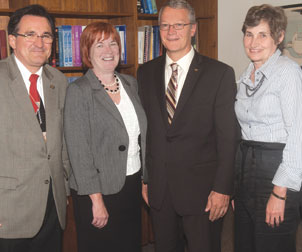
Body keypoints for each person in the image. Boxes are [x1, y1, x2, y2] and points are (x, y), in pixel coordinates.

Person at [137, 0, 238, 251]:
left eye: (179, 25)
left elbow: (228, 138)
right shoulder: (145, 73)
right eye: (165, 25)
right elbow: (146, 133)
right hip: (160, 190)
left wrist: (222, 189)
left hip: (203, 193)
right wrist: (146, 179)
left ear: (193, 28)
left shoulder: (219, 74)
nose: (171, 31)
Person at [64, 21, 147, 252]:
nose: (108, 51)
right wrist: (96, 200)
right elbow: (79, 152)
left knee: (130, 245)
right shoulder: (78, 91)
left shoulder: (131, 84)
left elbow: (140, 138)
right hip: (97, 190)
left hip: (131, 183)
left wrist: (144, 180)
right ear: (87, 52)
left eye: (113, 44)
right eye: (99, 45)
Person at [0, 4, 70, 252]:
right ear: (12, 40)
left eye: (46, 35)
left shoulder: (59, 81)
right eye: (30, 34)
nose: (39, 42)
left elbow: (62, 142)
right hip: (7, 211)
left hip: (53, 207)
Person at [234, 4, 302, 252]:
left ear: (280, 37)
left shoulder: (288, 73)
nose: (253, 42)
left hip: (276, 174)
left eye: (263, 34)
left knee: (272, 245)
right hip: (245, 174)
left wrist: (280, 192)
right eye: (249, 34)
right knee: (245, 244)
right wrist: (237, 187)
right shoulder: (246, 74)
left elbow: (298, 135)